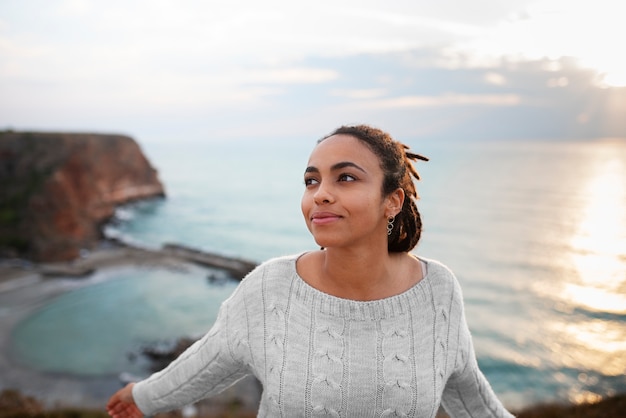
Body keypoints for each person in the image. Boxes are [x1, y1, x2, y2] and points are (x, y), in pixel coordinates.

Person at [107, 124, 515, 418]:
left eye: (347, 177)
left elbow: (470, 394)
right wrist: (143, 397)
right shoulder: (271, 287)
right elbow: (210, 359)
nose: (320, 193)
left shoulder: (437, 289)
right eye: (311, 180)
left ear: (391, 201)